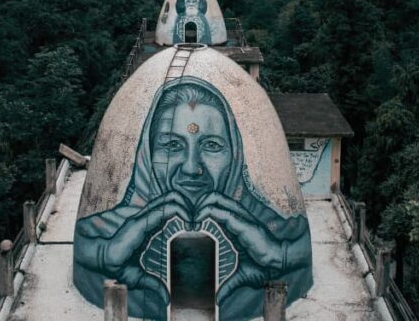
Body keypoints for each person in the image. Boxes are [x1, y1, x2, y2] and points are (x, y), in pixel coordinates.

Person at [73, 79, 312, 320]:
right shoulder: (103, 232)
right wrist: (105, 253)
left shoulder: (273, 230)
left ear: (236, 154)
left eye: (211, 145)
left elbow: (297, 241)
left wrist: (278, 255)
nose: (191, 168)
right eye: (172, 145)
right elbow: (85, 242)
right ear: (146, 153)